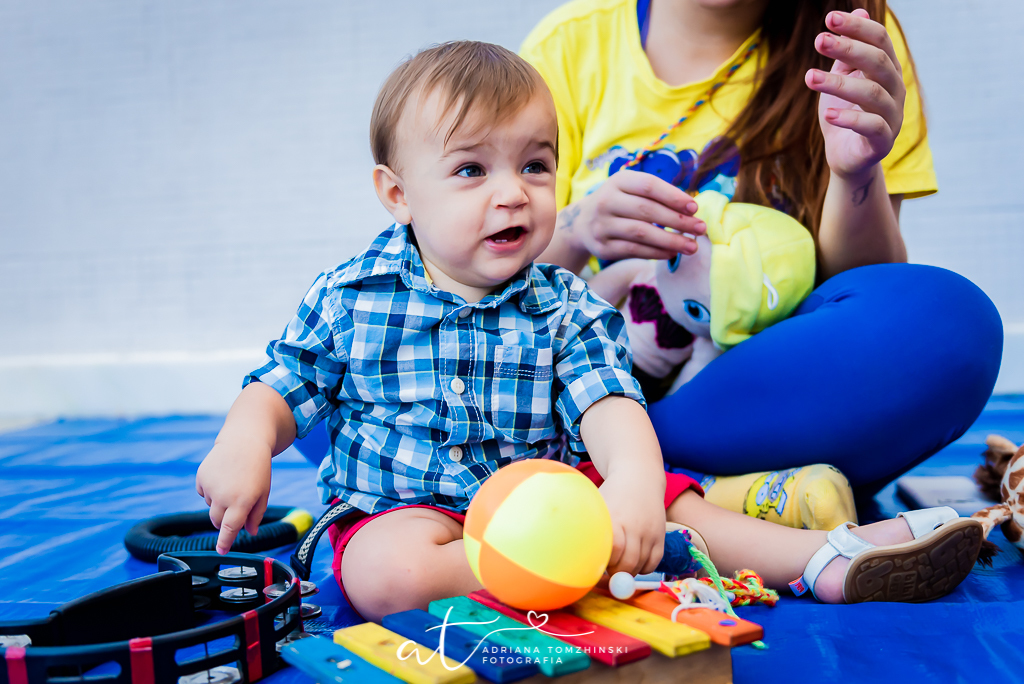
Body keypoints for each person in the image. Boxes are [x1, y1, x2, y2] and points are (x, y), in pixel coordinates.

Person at [195, 41, 982, 623]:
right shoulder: (350, 296)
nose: (513, 195)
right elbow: (282, 384)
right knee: (380, 573)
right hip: (413, 508)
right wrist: (243, 442)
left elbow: (611, 407)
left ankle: (830, 558)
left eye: (536, 167)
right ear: (397, 195)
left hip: (553, 495)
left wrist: (634, 486)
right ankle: (557, 571)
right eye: (473, 171)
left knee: (677, 507)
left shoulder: (566, 306)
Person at [519, 0, 1003, 504]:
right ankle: (736, 494)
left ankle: (640, 479)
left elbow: (870, 296)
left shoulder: (851, 31)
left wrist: (854, 176)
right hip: (603, 390)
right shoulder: (568, 48)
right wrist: (577, 228)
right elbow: (487, 287)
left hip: (780, 403)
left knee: (952, 324)